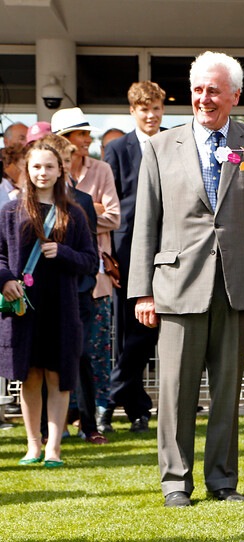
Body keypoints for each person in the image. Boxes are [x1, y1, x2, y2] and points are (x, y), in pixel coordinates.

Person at [128, 51, 244, 508]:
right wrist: (141, 291)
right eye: (197, 90)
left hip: (237, 283)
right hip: (177, 285)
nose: (203, 99)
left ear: (235, 95)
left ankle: (223, 483)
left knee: (227, 393)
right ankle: (175, 483)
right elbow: (144, 223)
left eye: (213, 90)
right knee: (174, 395)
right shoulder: (159, 146)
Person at [0, 140, 98, 467]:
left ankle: (54, 447)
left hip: (62, 307)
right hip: (24, 307)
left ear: (60, 172)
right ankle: (33, 446)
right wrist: (5, 280)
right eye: (37, 166)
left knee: (58, 375)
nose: (43, 172)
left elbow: (90, 261)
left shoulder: (75, 213)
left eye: (50, 167)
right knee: (29, 375)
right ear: (27, 170)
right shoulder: (10, 211)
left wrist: (64, 253)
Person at [101, 81, 166, 434]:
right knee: (132, 330)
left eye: (156, 108)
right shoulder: (117, 149)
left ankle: (111, 401)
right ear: (132, 111)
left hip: (169, 246)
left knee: (148, 330)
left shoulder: (174, 140)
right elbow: (113, 203)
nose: (151, 115)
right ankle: (135, 407)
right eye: (144, 109)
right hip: (127, 250)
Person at [51, 107, 121, 419]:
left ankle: (101, 409)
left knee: (99, 348)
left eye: (86, 132)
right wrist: (89, 211)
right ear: (64, 139)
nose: (87, 138)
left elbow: (114, 217)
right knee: (62, 347)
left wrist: (80, 215)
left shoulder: (102, 169)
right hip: (58, 276)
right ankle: (69, 411)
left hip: (98, 273)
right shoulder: (47, 170)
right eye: (80, 133)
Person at [37, 132, 105, 444]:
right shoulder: (27, 203)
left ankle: (89, 425)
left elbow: (90, 255)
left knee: (81, 357)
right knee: (41, 361)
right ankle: (47, 429)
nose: (59, 170)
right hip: (41, 294)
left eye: (64, 163)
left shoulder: (84, 202)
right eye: (55, 163)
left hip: (78, 293)